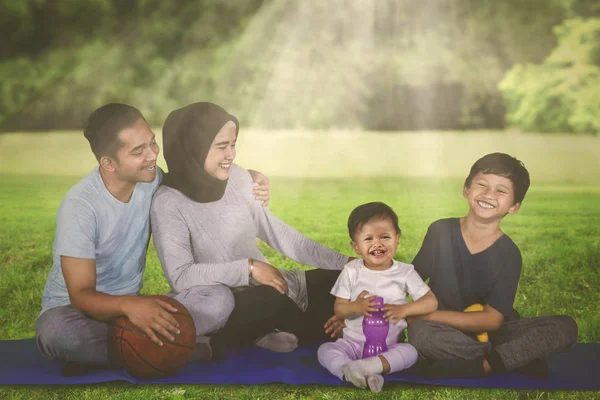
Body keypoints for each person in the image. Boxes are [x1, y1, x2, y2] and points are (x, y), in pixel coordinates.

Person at [35, 103, 271, 373]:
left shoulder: (152, 180)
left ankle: (126, 350)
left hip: (133, 312)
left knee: (217, 297)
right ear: (108, 163)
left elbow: (196, 180)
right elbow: (80, 296)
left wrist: (250, 177)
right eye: (138, 151)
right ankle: (183, 349)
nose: (152, 155)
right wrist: (129, 305)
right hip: (74, 312)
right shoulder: (80, 207)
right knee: (60, 335)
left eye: (152, 143)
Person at [150, 102, 352, 353]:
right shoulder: (167, 203)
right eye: (221, 146)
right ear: (192, 148)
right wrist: (249, 268)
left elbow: (282, 236)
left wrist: (347, 263)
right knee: (269, 301)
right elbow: (181, 276)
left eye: (233, 144)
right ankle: (259, 334)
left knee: (350, 281)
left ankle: (271, 333)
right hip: (237, 301)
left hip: (280, 287)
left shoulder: (238, 178)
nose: (231, 154)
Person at [407, 152, 578, 380]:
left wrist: (429, 316)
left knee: (566, 327)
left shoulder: (509, 254)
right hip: (445, 331)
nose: (489, 194)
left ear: (514, 206)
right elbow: (407, 280)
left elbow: (492, 320)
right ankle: (511, 360)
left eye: (501, 190)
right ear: (466, 189)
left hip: (495, 333)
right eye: (482, 185)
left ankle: (484, 365)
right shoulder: (440, 231)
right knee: (421, 334)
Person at [317, 202, 438, 392]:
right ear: (356, 246)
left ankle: (366, 368)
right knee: (325, 350)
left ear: (397, 239)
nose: (377, 243)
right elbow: (339, 309)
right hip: (353, 344)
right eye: (368, 238)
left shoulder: (405, 272)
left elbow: (431, 302)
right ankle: (349, 371)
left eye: (385, 237)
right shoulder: (351, 270)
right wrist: (356, 307)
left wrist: (405, 309)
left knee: (410, 352)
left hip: (389, 346)